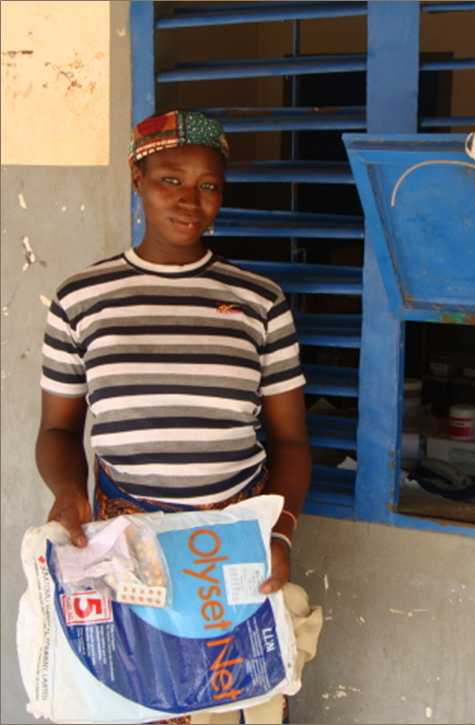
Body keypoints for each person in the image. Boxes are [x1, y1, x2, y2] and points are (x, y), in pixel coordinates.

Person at [36, 110, 312, 723]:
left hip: (235, 541)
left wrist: (279, 533)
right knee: (138, 699)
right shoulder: (81, 300)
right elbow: (58, 430)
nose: (191, 201)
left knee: (240, 702)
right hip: (127, 545)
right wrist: (66, 493)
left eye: (208, 185)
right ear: (138, 177)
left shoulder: (259, 301)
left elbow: (291, 442)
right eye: (170, 180)